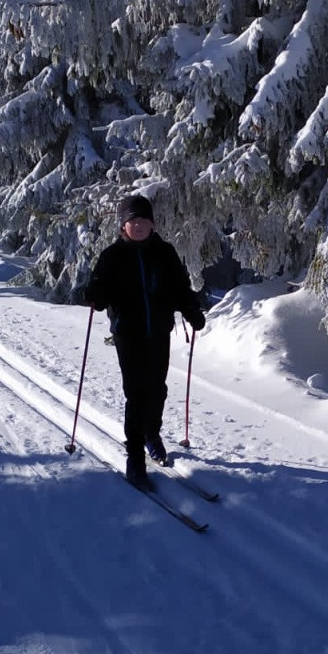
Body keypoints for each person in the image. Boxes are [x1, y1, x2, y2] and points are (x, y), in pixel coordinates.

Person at [83, 194, 205, 488]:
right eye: (132, 221)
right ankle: (135, 456)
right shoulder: (112, 256)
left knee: (157, 389)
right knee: (136, 394)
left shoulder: (165, 252)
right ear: (123, 225)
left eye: (143, 220)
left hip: (158, 331)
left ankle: (152, 434)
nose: (138, 225)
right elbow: (99, 296)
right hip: (128, 334)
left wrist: (191, 310)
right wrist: (94, 293)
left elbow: (179, 287)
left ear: (152, 224)